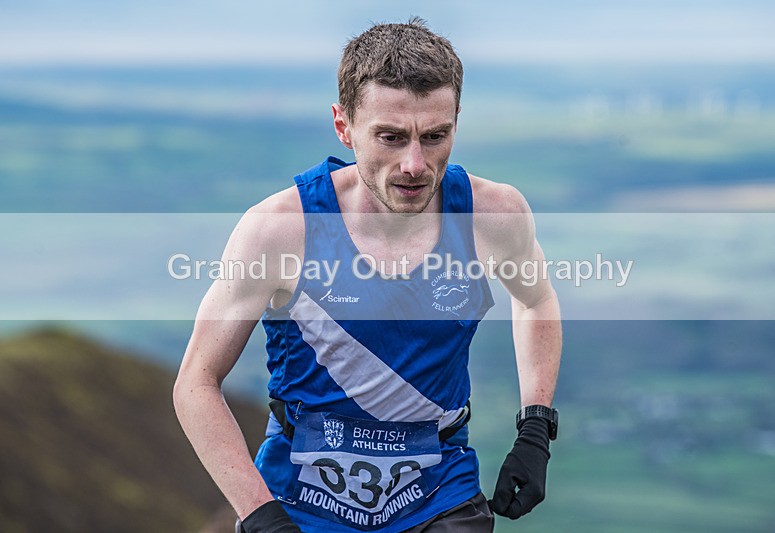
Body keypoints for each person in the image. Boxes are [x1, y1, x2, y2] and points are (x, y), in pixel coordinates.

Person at [174, 17, 562, 533]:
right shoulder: (280, 230)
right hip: (301, 498)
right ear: (343, 126)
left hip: (438, 493)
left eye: (435, 136)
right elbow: (196, 382)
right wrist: (259, 514)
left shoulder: (492, 215)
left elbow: (535, 300)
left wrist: (535, 426)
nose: (415, 164)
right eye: (391, 137)